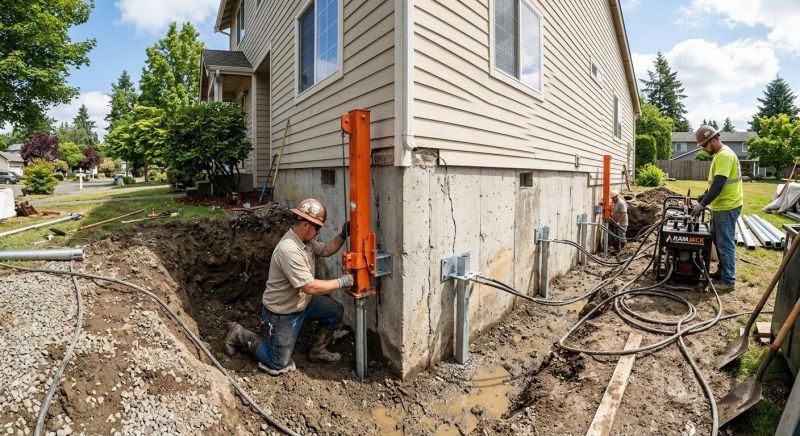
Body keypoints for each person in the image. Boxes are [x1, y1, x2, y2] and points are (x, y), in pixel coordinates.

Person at [224, 198, 353, 375]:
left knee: (334, 311)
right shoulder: (289, 249)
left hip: (302, 303)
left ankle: (318, 351)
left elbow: (326, 250)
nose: (319, 232)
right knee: (276, 363)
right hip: (282, 313)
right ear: (306, 225)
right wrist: (343, 281)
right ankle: (240, 334)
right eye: (318, 227)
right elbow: (309, 287)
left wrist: (343, 235)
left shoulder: (304, 242)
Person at [691, 125, 743, 291]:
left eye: (705, 145)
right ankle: (722, 272)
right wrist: (703, 197)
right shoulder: (720, 155)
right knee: (716, 238)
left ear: (713, 140)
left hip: (727, 206)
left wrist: (702, 204)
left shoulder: (724, 156)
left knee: (724, 243)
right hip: (721, 205)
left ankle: (728, 281)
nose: (704, 149)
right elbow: (714, 183)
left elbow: (719, 184)